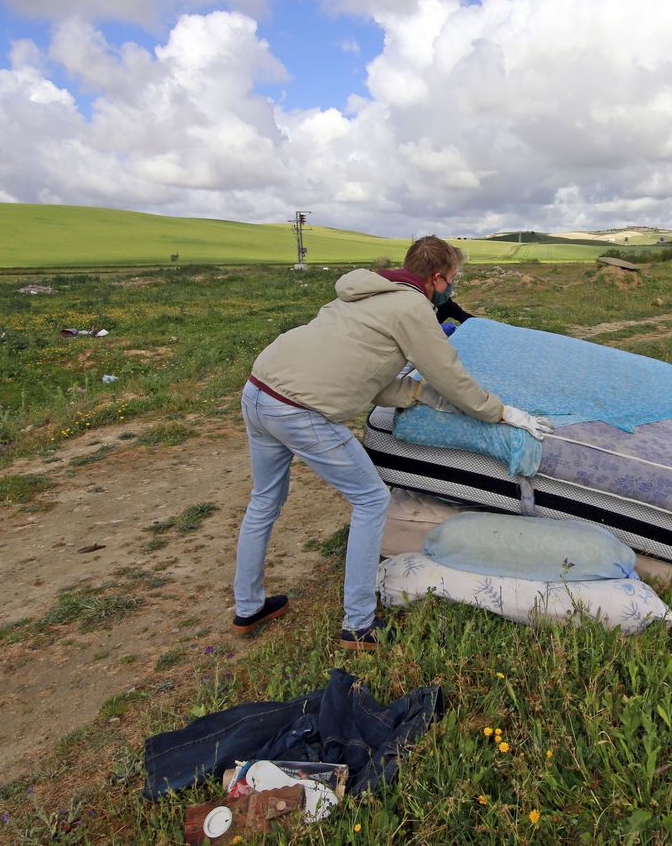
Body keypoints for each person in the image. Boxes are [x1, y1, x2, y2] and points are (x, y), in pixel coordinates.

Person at [231, 236, 552, 649]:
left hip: (259, 390)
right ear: (436, 278)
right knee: (371, 500)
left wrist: (415, 394)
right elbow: (450, 375)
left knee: (264, 500)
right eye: (453, 279)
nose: (454, 288)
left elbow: (365, 374)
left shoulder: (364, 293)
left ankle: (248, 606)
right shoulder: (413, 308)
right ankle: (359, 624)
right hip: (299, 409)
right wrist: (499, 412)